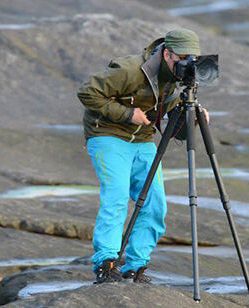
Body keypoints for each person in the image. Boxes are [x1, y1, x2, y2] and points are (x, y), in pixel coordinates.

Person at [77, 28, 209, 284]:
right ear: (168, 54)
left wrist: (192, 119)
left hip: (144, 139)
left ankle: (136, 266)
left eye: (193, 59)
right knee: (115, 196)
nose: (189, 65)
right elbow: (86, 93)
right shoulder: (129, 70)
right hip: (107, 134)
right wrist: (127, 114)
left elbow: (177, 134)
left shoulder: (178, 79)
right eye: (184, 58)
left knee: (155, 203)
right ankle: (105, 263)